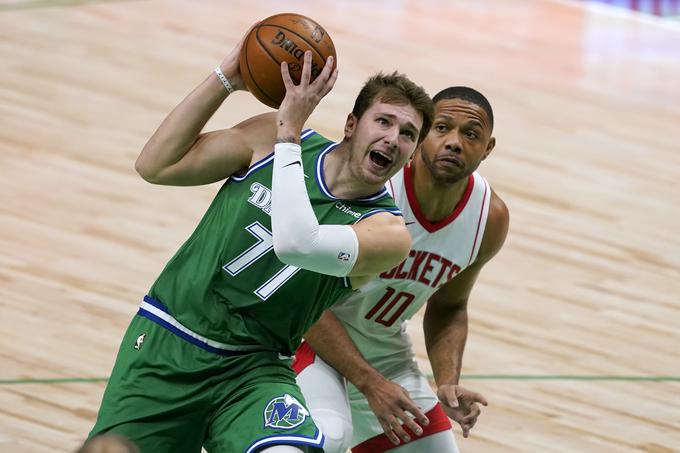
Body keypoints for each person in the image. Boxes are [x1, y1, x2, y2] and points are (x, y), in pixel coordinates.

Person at [86, 23, 434, 453]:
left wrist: (288, 137)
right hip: (168, 340)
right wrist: (226, 79)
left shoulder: (387, 231)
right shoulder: (268, 139)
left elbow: (298, 243)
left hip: (253, 370)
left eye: (408, 134)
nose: (393, 139)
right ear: (351, 124)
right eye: (384, 121)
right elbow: (155, 165)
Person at [294, 86, 509, 452]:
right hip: (309, 340)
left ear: (488, 148)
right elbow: (303, 301)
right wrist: (369, 383)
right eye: (442, 128)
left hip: (383, 356)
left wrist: (446, 381)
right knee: (327, 440)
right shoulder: (374, 188)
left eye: (470, 134)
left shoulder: (488, 218)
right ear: (424, 134)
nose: (454, 142)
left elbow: (449, 306)